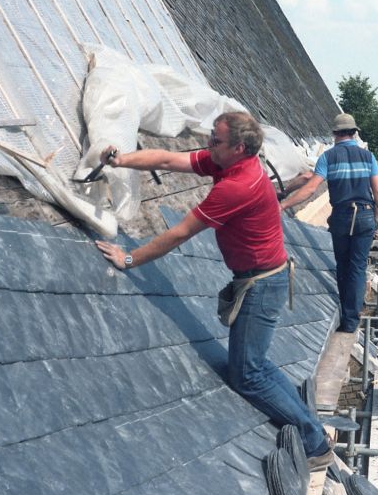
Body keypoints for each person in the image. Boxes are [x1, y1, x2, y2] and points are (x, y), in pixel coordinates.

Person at [94, 111, 333, 470]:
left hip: (262, 283)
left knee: (248, 375)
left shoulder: (239, 185)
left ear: (238, 148)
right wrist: (121, 160)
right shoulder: (228, 160)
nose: (209, 144)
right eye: (211, 137)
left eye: (216, 141)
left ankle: (313, 444)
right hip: (262, 277)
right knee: (255, 365)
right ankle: (313, 433)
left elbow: (180, 233)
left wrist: (130, 259)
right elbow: (168, 159)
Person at [279, 113, 378, 333]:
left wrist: (282, 205)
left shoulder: (328, 158)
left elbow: (310, 188)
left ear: (335, 134)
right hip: (365, 216)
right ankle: (351, 320)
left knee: (343, 265)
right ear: (354, 132)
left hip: (341, 216)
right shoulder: (368, 157)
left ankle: (345, 310)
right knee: (358, 267)